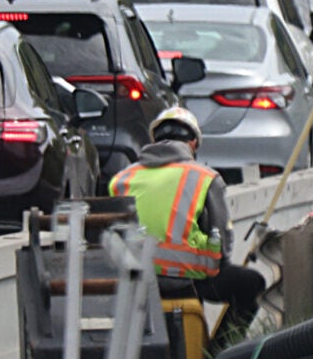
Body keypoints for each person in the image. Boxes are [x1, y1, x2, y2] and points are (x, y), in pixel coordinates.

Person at [109, 105, 264, 342]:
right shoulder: (205, 177)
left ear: (155, 140)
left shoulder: (122, 179)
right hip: (188, 282)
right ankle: (218, 358)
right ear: (192, 143)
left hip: (135, 282)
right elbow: (222, 247)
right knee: (252, 284)